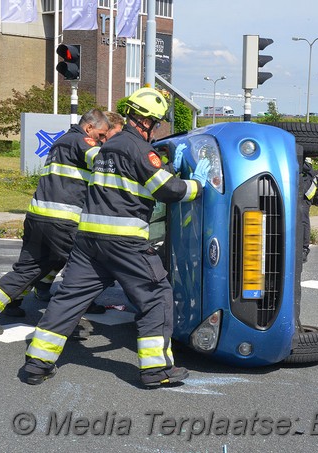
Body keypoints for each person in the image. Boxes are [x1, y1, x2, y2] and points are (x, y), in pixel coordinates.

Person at [22, 87, 210, 387]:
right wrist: (198, 185)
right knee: (156, 295)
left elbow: (130, 182)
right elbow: (168, 191)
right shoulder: (138, 148)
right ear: (147, 121)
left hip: (88, 241)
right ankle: (156, 370)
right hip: (124, 241)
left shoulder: (106, 147)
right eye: (157, 123)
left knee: (69, 298)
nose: (157, 129)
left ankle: (37, 362)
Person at [0, 110, 111, 337]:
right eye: (101, 135)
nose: (102, 140)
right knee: (79, 273)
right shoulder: (82, 141)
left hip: (37, 218)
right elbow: (106, 163)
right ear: (89, 128)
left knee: (27, 270)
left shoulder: (60, 143)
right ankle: (61, 324)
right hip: (62, 221)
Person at [300, 158, 316, 263]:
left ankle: (304, 249)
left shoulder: (307, 169)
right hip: (304, 172)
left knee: (303, 218)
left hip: (306, 193)